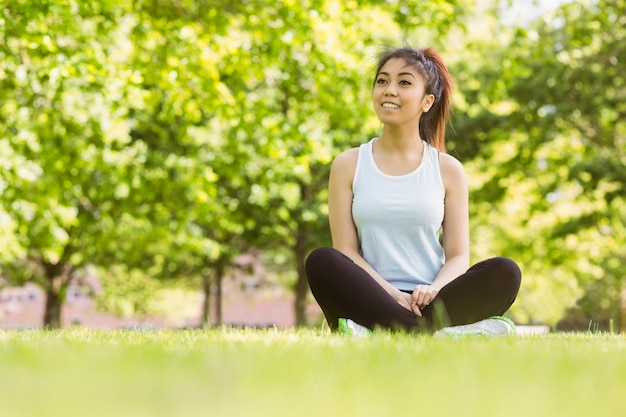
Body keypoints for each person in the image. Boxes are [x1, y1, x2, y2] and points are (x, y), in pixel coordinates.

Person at [305, 46, 521, 336]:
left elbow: (458, 256)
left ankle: (384, 332)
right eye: (382, 81)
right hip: (371, 297)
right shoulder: (348, 164)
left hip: (432, 298)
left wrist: (433, 290)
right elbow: (347, 252)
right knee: (322, 261)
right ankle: (439, 334)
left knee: (505, 272)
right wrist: (394, 296)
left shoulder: (448, 169)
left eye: (404, 82)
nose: (389, 90)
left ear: (427, 101)